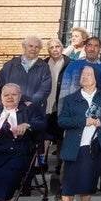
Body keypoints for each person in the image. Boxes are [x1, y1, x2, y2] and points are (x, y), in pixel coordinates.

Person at [58, 66, 101, 201]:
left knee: (89, 181)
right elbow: (62, 121)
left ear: (96, 78)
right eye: (83, 74)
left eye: (89, 74)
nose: (84, 76)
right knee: (69, 182)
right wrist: (83, 121)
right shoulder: (70, 99)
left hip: (94, 147)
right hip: (74, 147)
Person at [0, 36, 52, 114]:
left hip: (33, 110)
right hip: (9, 110)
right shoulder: (10, 65)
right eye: (30, 46)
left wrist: (31, 103)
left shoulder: (44, 67)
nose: (33, 49)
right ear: (24, 47)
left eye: (37, 47)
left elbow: (45, 89)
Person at [58, 37, 101, 113]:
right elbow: (64, 91)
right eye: (89, 45)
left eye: (96, 46)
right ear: (85, 48)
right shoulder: (73, 65)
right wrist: (62, 113)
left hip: (94, 114)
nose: (92, 49)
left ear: (100, 50)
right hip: (73, 111)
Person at [43, 38, 71, 170]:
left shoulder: (70, 63)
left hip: (62, 103)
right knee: (45, 135)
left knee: (60, 136)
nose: (55, 49)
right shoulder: (43, 64)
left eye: (57, 46)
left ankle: (60, 164)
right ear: (48, 50)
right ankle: (43, 161)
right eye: (52, 47)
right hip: (46, 103)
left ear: (62, 48)